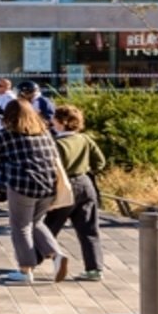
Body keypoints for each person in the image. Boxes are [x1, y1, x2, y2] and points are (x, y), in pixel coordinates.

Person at [0, 96, 71, 284]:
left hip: (22, 185)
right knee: (37, 222)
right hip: (48, 185)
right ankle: (56, 255)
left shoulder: (7, 135)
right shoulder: (44, 133)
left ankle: (25, 271)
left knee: (21, 227)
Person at [46, 104, 109, 282]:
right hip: (85, 183)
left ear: (62, 122)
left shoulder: (57, 144)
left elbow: (54, 170)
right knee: (89, 228)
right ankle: (94, 268)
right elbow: (100, 162)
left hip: (66, 186)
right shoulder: (85, 139)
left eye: (54, 119)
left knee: (50, 226)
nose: (52, 122)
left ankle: (31, 261)